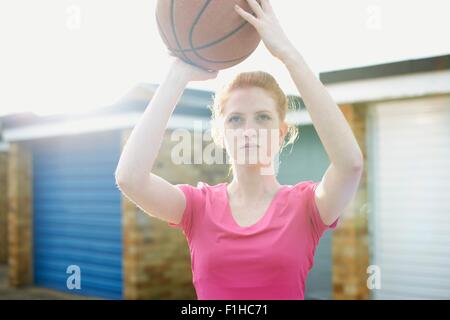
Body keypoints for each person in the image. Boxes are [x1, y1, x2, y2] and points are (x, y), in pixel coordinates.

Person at [115, 0, 363, 300]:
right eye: (235, 119)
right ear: (220, 134)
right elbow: (130, 177)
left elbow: (349, 165)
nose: (249, 131)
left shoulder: (306, 207)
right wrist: (177, 75)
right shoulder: (198, 207)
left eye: (263, 117)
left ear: (281, 132)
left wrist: (288, 54)